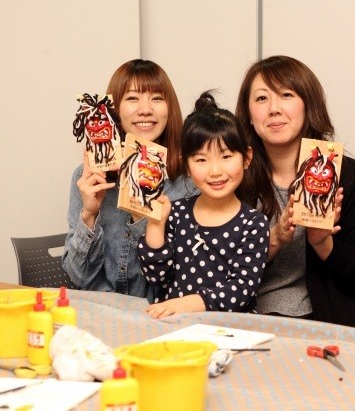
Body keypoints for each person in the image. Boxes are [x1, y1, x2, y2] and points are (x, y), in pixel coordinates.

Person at [235, 55, 355, 329]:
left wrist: (323, 244)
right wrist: (273, 240)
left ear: (308, 104)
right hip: (245, 325)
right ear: (248, 114)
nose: (274, 109)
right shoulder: (234, 180)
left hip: (324, 331)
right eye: (262, 98)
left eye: (286, 95)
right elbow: (214, 270)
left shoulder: (349, 178)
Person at [62, 59, 197, 301]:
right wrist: (89, 215)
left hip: (161, 313)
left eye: (157, 98)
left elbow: (183, 277)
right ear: (113, 109)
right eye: (133, 98)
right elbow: (79, 277)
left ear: (170, 108)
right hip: (102, 311)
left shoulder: (188, 181)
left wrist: (142, 213)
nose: (145, 109)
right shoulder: (87, 178)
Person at [138, 91, 269, 318]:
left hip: (229, 328)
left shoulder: (253, 223)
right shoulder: (176, 212)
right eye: (201, 160)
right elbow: (155, 277)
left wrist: (189, 303)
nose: (215, 171)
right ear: (187, 166)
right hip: (175, 325)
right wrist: (156, 224)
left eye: (226, 157)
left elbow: (241, 290)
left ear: (246, 158)